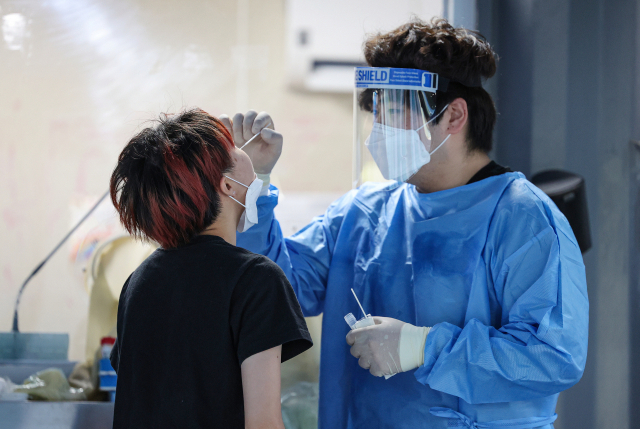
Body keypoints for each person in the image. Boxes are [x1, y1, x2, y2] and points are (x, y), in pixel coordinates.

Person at [230, 18, 589, 429]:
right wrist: (253, 184)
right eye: (377, 113)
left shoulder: (523, 218)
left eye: (395, 112)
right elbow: (278, 290)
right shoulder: (363, 213)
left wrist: (423, 347)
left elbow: (552, 357)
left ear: (454, 116)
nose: (379, 132)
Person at [108, 108, 312, 429]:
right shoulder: (257, 280)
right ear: (227, 186)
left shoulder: (138, 282)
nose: (241, 148)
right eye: (233, 148)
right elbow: (263, 424)